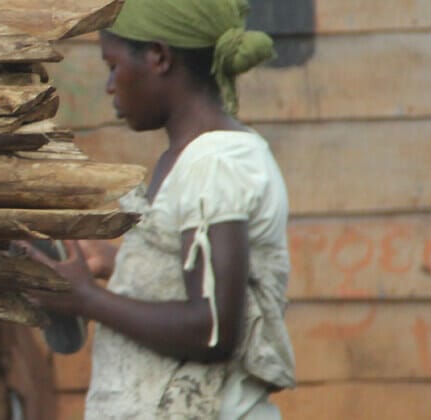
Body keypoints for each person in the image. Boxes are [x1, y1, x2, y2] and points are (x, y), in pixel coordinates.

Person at [16, 0, 295, 418]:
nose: (110, 84)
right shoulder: (188, 158)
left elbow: (213, 329)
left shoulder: (216, 163)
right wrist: (114, 262)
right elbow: (187, 273)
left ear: (159, 57)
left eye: (112, 65)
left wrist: (87, 299)